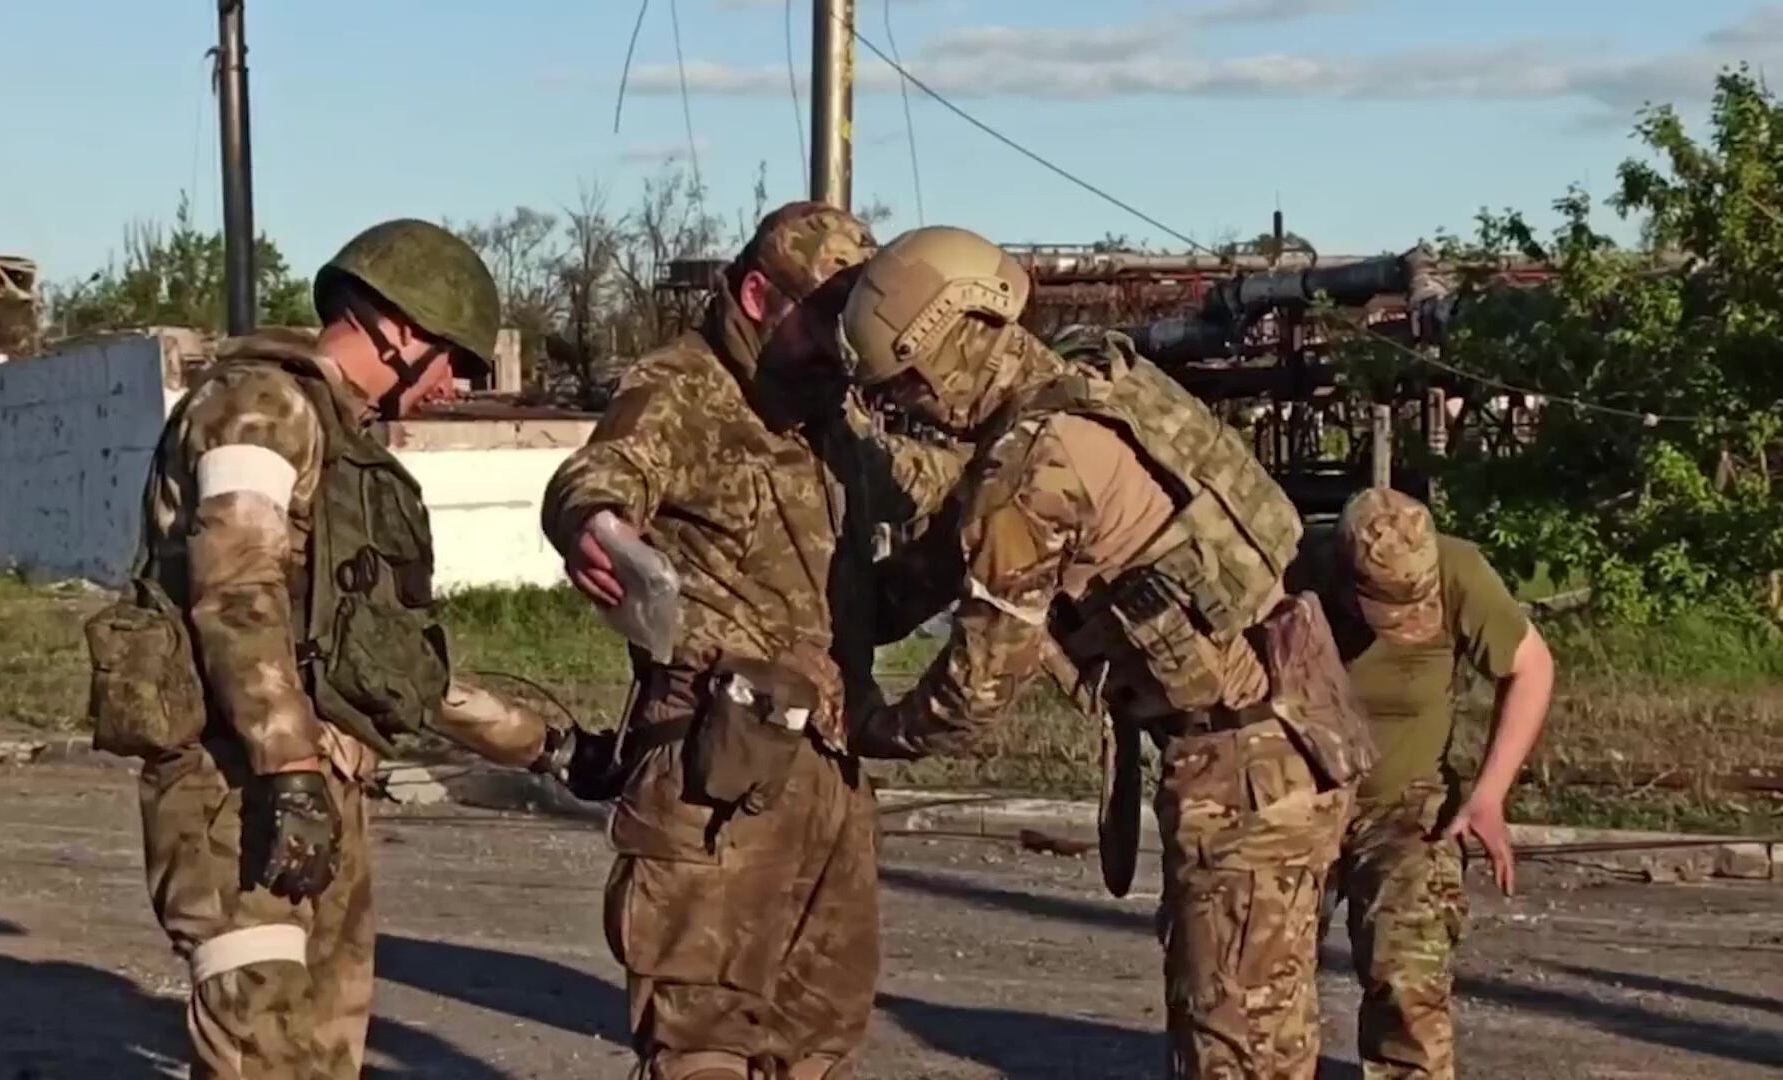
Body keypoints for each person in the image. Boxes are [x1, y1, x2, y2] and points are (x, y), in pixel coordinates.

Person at [839, 225, 1373, 1080]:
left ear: (948, 342)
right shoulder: (1091, 382)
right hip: (1293, 723)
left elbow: (973, 695)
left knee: (1237, 1054)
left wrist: (856, 721)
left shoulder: (1032, 468)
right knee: (1255, 1028)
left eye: (906, 382)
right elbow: (938, 562)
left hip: (1243, 769)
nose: (913, 406)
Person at [87, 219, 555, 1078]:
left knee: (319, 1057)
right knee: (265, 1050)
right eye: (455, 358)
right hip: (238, 794)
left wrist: (543, 745)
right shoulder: (258, 411)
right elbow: (236, 592)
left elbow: (386, 664)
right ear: (403, 328)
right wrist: (289, 770)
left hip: (316, 791)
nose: (455, 385)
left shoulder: (343, 449)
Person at [541, 201, 961, 1080]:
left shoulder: (833, 421)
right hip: (716, 775)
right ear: (761, 295)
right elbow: (597, 478)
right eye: (826, 319)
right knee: (703, 1048)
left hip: (830, 774)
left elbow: (921, 507)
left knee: (818, 1043)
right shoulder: (681, 389)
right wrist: (595, 526)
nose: (845, 348)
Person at [1287, 487, 1555, 1080]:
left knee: (1407, 965)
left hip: (1405, 802)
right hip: (1296, 799)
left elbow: (1531, 667)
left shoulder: (1457, 568)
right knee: (1259, 979)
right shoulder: (1288, 566)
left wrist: (1489, 794)